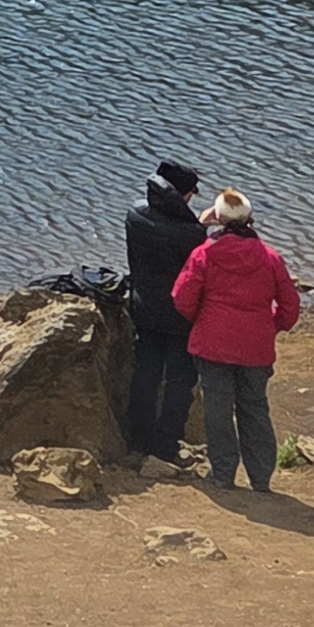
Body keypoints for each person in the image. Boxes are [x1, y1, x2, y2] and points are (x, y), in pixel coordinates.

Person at [172, 187, 303, 491]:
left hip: (213, 344)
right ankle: (261, 478)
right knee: (254, 408)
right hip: (256, 346)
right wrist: (270, 327)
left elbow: (182, 297)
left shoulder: (204, 254)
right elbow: (290, 308)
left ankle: (223, 474)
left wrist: (202, 321)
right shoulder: (270, 258)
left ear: (218, 218)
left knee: (217, 410)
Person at [121, 162, 208, 463]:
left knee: (145, 373)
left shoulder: (135, 215)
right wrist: (203, 226)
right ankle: (167, 444)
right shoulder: (192, 233)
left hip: (144, 306)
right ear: (182, 195)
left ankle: (138, 438)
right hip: (180, 316)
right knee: (181, 381)